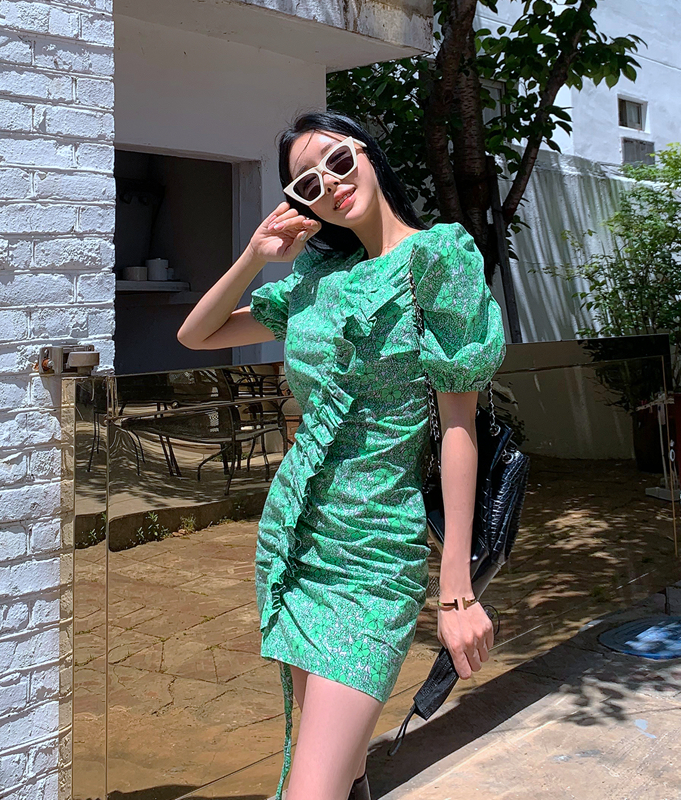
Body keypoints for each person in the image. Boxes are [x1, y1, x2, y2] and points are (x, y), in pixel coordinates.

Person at [177, 110, 507, 800]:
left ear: (368, 155)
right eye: (306, 184)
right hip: (296, 544)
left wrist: (455, 590)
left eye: (337, 161)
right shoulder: (317, 279)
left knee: (312, 787)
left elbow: (458, 427)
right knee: (339, 767)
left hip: (374, 554)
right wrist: (255, 255)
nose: (328, 184)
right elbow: (197, 334)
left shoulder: (437, 258)